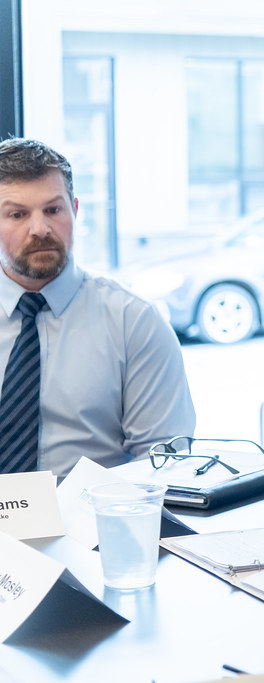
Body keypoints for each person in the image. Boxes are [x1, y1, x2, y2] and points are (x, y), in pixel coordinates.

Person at [0, 138, 195, 476]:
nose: (40, 229)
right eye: (18, 214)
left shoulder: (133, 322)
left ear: (74, 211)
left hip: (94, 522)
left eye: (53, 210)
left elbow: (163, 464)